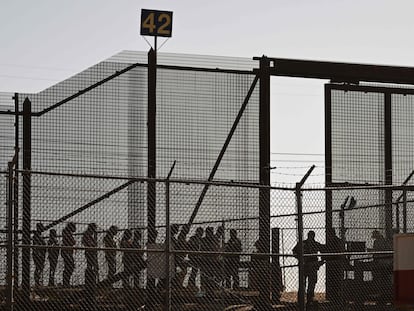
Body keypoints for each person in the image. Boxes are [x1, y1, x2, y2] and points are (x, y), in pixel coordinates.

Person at [293, 230, 324, 305]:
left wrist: (300, 259)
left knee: (308, 283)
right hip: (309, 265)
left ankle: (305, 299)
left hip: (308, 265)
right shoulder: (311, 244)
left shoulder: (306, 243)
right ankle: (306, 299)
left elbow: (294, 251)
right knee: (308, 283)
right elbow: (294, 251)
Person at [325, 227, 346, 303]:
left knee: (335, 281)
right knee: (334, 281)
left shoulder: (334, 241)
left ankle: (336, 297)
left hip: (334, 264)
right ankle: (335, 297)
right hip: (334, 264)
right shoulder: (334, 241)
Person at [82, 223, 98, 290]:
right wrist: (93, 245)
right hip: (89, 252)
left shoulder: (91, 235)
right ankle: (89, 281)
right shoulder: (87, 234)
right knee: (90, 266)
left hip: (92, 252)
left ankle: (92, 281)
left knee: (93, 266)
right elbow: (88, 243)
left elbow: (94, 243)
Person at [62, 222, 76, 287]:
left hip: (68, 252)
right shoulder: (66, 233)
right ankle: (66, 282)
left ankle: (66, 282)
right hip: (67, 252)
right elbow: (72, 241)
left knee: (69, 266)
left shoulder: (67, 233)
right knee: (70, 266)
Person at [33, 223, 46, 287]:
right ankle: (37, 281)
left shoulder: (38, 235)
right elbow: (36, 246)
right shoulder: (36, 236)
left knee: (39, 268)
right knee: (38, 267)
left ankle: (37, 280)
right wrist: (38, 254)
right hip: (38, 254)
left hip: (40, 254)